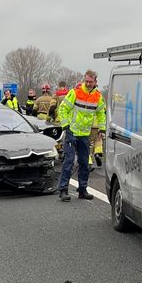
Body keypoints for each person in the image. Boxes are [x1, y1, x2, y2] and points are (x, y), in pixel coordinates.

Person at [55, 69, 106, 202]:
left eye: (90, 81)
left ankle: (82, 189)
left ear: (95, 81)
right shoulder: (75, 92)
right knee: (69, 161)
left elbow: (101, 114)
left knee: (84, 163)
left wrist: (103, 129)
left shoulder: (98, 96)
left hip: (85, 134)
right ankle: (63, 190)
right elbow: (62, 108)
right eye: (86, 81)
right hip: (72, 132)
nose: (88, 84)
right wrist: (65, 125)